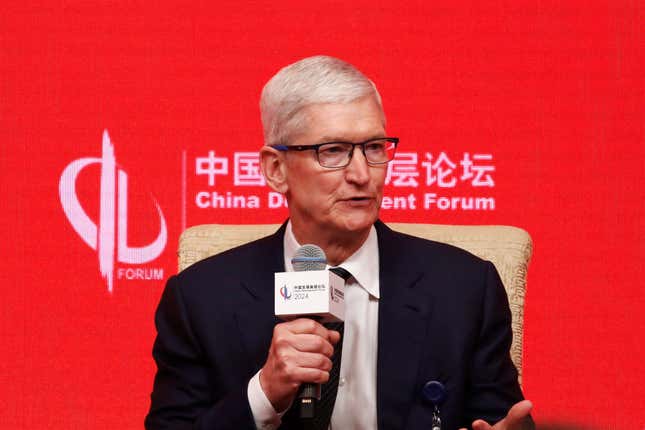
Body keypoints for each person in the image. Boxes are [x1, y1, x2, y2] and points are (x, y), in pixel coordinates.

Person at [145, 55, 534, 430]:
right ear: (276, 170)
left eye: (375, 147)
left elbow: (501, 417)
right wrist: (263, 394)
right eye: (333, 151)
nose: (363, 174)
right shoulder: (200, 298)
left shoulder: (464, 288)